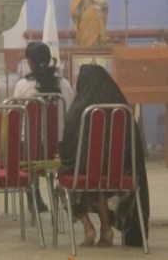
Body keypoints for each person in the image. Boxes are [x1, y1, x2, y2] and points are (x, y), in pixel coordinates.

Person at [59, 64, 150, 247]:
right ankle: (106, 229)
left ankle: (88, 228)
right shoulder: (121, 108)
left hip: (86, 175)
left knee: (66, 177)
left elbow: (68, 147)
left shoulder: (80, 110)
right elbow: (134, 147)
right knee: (98, 179)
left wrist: (62, 160)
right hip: (121, 175)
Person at [13, 41, 73, 213]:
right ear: (49, 59)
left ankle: (34, 194)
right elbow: (70, 113)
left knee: (23, 141)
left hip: (33, 150)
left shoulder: (23, 86)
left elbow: (16, 116)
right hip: (61, 149)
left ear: (29, 62)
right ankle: (62, 191)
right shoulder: (65, 84)